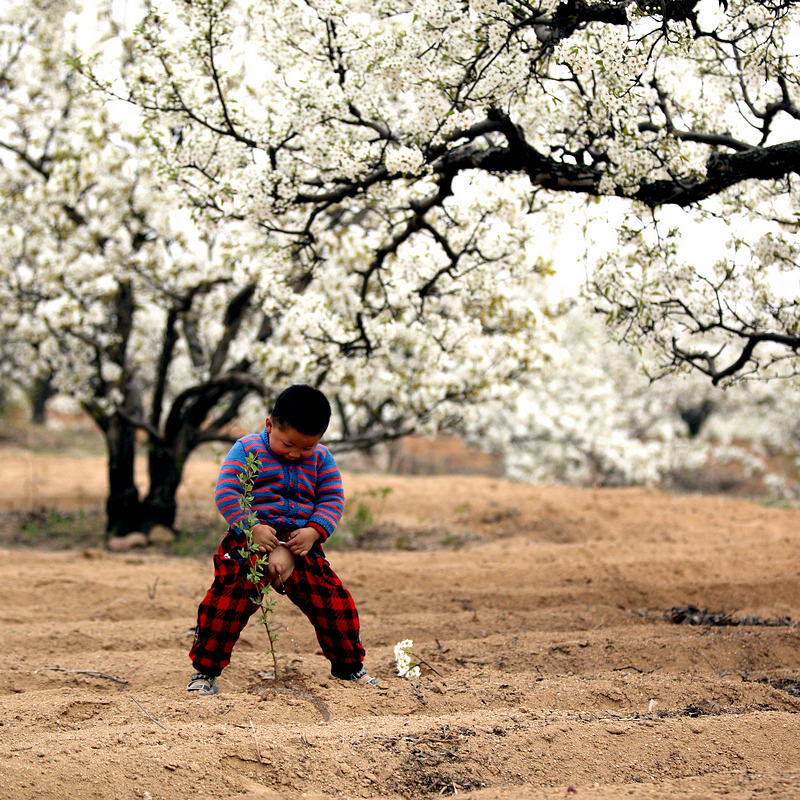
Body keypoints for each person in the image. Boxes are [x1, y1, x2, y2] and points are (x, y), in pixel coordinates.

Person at [187, 384, 380, 695]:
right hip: (250, 540)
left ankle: (349, 667)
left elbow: (332, 498)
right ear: (269, 425)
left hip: (299, 544)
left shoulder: (321, 459)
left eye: (306, 448)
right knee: (226, 604)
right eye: (288, 444)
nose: (295, 454)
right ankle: (205, 672)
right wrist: (251, 527)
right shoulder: (247, 449)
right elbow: (227, 491)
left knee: (334, 603)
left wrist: (314, 531)